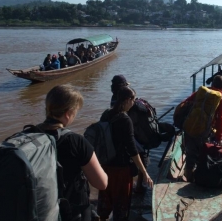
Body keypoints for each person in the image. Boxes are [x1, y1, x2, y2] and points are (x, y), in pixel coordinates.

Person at [39, 85, 108, 221]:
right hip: (70, 213)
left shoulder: (28, 136)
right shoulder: (76, 141)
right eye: (75, 111)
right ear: (68, 113)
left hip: (39, 212)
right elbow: (102, 183)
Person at [97, 86, 153, 221]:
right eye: (133, 100)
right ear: (128, 100)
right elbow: (132, 149)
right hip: (121, 169)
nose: (133, 103)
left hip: (104, 165)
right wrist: (144, 172)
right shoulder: (125, 119)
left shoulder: (106, 114)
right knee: (121, 204)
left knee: (105, 200)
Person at [107, 74, 150, 194]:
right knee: (143, 157)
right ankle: (140, 186)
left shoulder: (112, 102)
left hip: (112, 140)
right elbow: (131, 147)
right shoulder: (125, 115)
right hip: (127, 135)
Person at [183, 75, 222, 182]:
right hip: (204, 131)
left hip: (190, 126)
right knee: (202, 153)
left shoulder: (201, 92)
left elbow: (185, 103)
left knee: (190, 152)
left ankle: (188, 174)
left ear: (212, 83)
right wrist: (219, 138)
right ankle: (198, 178)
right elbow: (221, 120)